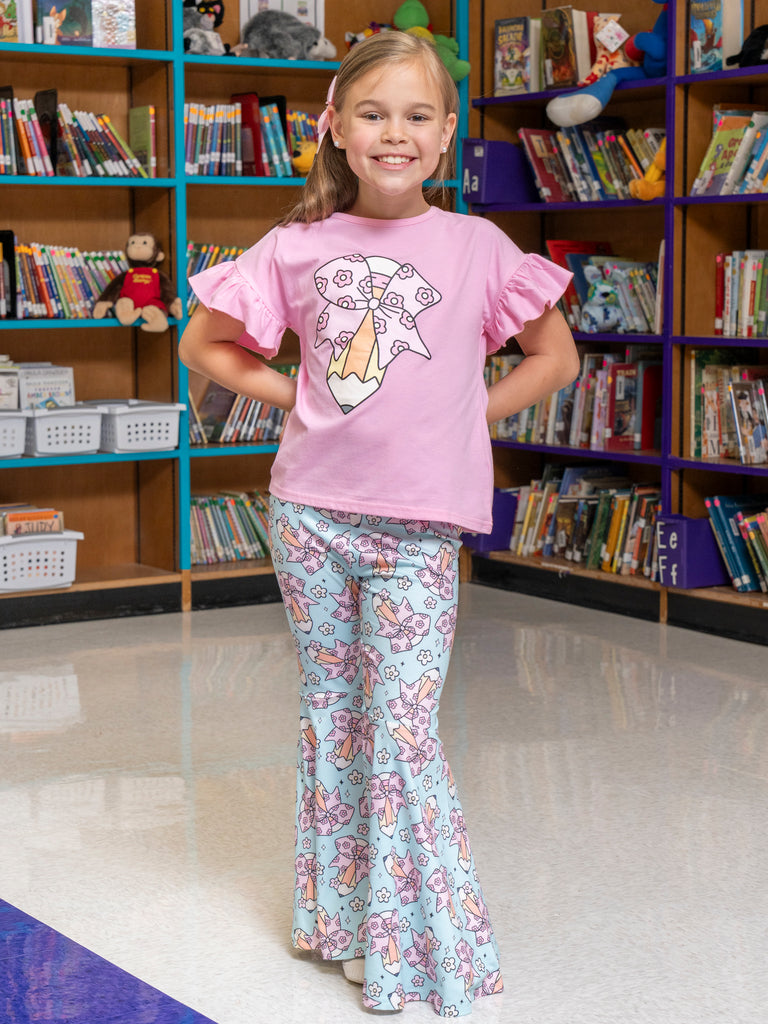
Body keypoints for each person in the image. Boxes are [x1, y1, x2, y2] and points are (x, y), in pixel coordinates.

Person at [179, 31, 579, 1017]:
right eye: (372, 114)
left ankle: (412, 942)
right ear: (337, 130)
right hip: (310, 517)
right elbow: (204, 342)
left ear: (444, 135)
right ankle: (348, 922)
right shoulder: (298, 246)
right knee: (335, 712)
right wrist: (299, 396)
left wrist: (465, 415)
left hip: (417, 534)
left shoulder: (477, 247)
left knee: (400, 730)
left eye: (416, 115)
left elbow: (555, 360)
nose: (394, 133)